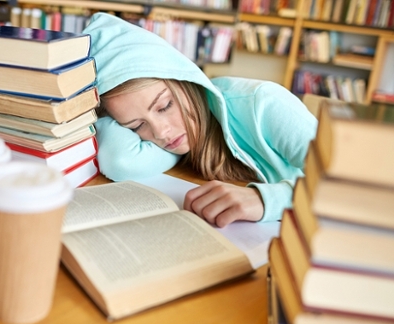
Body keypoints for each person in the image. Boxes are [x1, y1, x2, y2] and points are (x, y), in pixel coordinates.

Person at [82, 13, 318, 227]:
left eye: (165, 106)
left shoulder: (263, 103)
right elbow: (120, 160)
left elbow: (351, 187)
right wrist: (91, 113)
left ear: (184, 79)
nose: (161, 133)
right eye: (137, 125)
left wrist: (265, 199)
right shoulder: (177, 137)